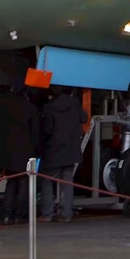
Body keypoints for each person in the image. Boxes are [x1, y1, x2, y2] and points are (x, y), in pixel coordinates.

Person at [0, 85, 40, 225]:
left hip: (8, 152)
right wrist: (36, 153)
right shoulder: (31, 109)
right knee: (24, 184)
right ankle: (19, 215)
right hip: (26, 152)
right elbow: (35, 135)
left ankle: (7, 216)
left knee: (11, 183)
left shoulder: (4, 104)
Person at [37, 87, 88, 222]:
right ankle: (66, 214)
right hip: (71, 150)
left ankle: (47, 214)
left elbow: (47, 130)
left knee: (47, 181)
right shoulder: (74, 102)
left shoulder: (49, 107)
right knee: (67, 182)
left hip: (54, 150)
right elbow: (84, 118)